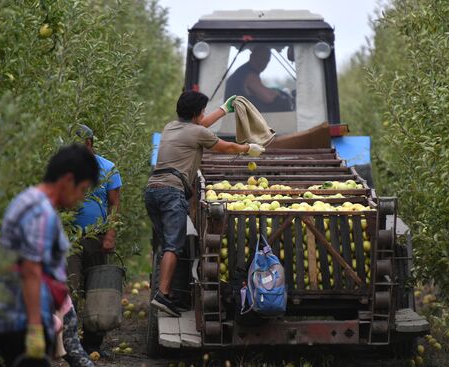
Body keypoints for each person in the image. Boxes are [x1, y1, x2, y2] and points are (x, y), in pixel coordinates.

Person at [146, 90, 265, 317]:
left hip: (152, 191)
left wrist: (224, 109)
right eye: (202, 111)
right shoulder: (196, 132)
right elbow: (225, 147)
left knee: (170, 244)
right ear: (196, 114)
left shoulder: (171, 127)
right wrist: (248, 148)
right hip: (171, 193)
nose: (204, 114)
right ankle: (162, 294)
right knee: (174, 244)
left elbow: (200, 125)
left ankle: (172, 295)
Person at [0, 144, 99, 367]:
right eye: (82, 189)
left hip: (13, 317)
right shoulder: (41, 213)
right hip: (22, 322)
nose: (81, 198)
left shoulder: (27, 199)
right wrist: (36, 328)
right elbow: (31, 270)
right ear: (68, 180)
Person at [66, 124, 122, 354]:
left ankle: (91, 344)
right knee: (69, 287)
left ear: (89, 143)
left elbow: (114, 205)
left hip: (97, 238)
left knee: (95, 291)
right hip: (70, 238)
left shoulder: (107, 168)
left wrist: (110, 235)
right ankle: (68, 342)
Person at [225, 45, 292, 112]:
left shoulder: (247, 71)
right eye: (260, 58)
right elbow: (268, 97)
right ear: (251, 56)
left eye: (266, 60)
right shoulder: (248, 74)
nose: (262, 63)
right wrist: (280, 94)